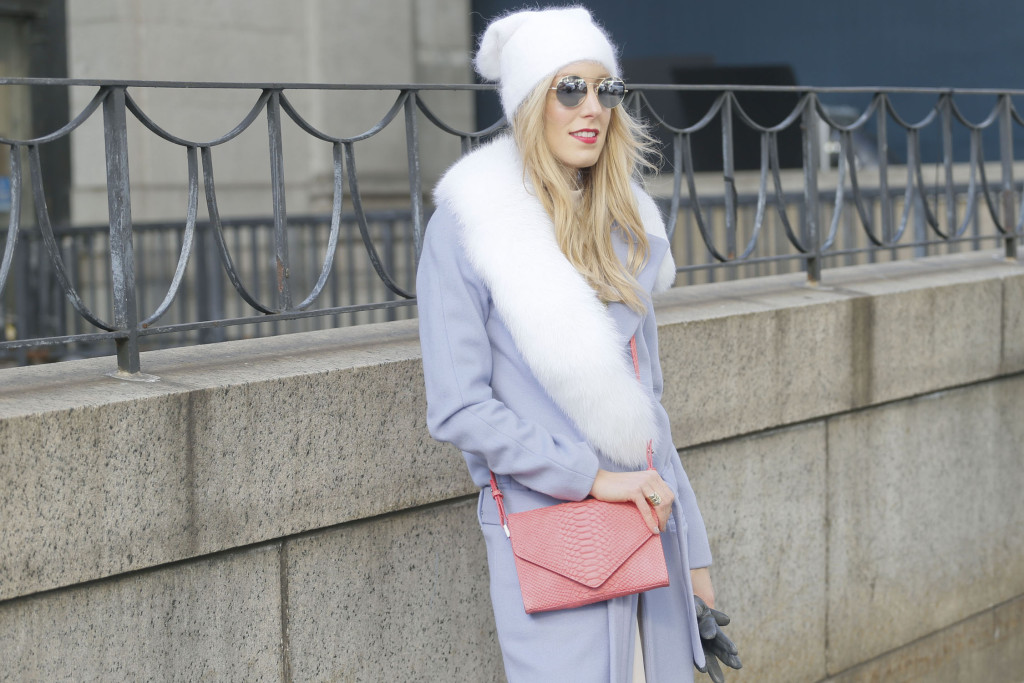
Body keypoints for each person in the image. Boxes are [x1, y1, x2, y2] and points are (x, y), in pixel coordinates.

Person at [416, 7, 732, 681]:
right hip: (557, 541)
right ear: (533, 102)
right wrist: (589, 477)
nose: (593, 107)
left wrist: (696, 560)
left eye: (606, 90)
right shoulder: (469, 230)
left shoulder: (626, 231)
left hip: (652, 536)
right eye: (570, 89)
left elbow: (650, 410)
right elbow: (459, 407)